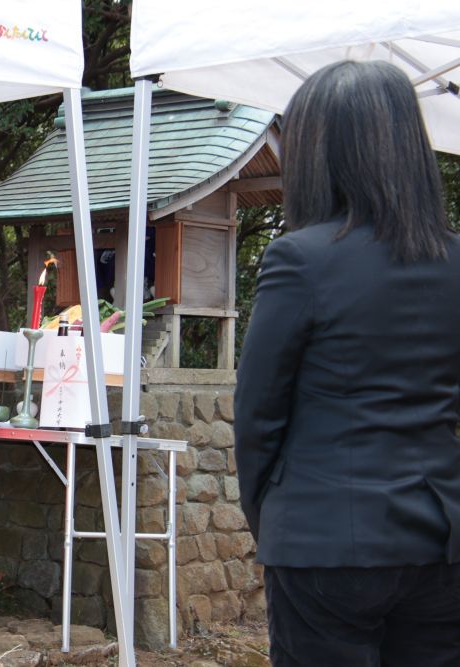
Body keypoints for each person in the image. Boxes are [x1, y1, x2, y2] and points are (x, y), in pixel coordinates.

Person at [234, 60, 460, 666]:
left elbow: (258, 415)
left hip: (322, 538)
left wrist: (273, 521)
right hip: (439, 540)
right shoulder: (454, 262)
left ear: (318, 151)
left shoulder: (301, 259)